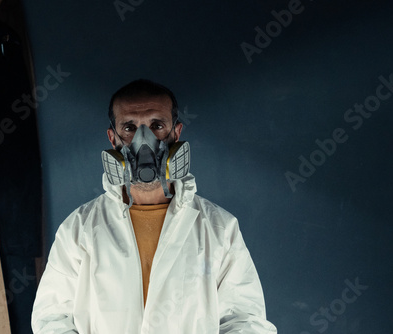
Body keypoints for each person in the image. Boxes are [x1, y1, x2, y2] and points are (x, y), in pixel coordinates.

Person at [31, 79, 277, 333]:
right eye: (129, 127)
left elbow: (245, 320)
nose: (143, 140)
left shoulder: (218, 228)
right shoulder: (79, 229)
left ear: (176, 133)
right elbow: (51, 318)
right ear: (112, 137)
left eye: (156, 126)